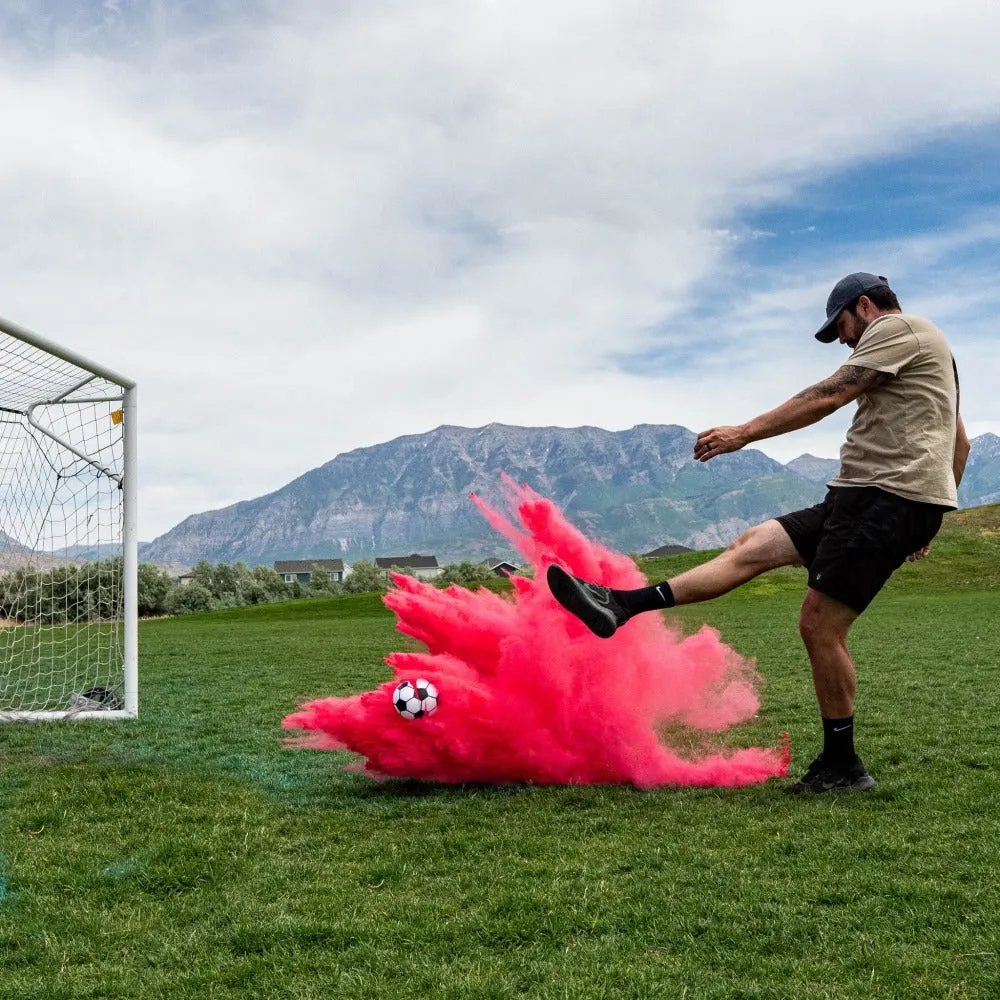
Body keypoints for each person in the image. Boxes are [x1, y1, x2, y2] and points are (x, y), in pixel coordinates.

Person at [548, 272, 971, 794]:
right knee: (751, 547)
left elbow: (829, 394)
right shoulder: (934, 355)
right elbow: (961, 445)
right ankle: (619, 605)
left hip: (886, 496)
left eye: (839, 326)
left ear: (864, 306)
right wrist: (934, 507)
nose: (841, 339)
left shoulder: (899, 329)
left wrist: (743, 433)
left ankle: (843, 766)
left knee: (820, 623)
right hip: (867, 495)